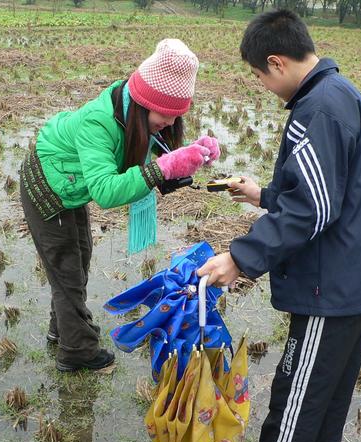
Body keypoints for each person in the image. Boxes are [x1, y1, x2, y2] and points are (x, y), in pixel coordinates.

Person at [197, 10, 361, 442]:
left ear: (277, 62)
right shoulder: (342, 97)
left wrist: (240, 258)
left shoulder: (317, 110)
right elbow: (329, 194)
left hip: (331, 292)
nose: (261, 84)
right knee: (323, 416)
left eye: (258, 74)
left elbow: (313, 209)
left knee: (291, 417)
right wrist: (262, 195)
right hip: (352, 287)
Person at [20, 39, 220, 372]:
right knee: (67, 270)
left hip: (70, 187)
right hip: (48, 190)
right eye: (164, 116)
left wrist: (193, 154)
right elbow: (106, 192)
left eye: (176, 117)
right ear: (144, 104)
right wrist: (163, 169)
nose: (170, 124)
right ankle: (77, 351)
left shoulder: (132, 111)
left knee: (78, 261)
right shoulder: (100, 122)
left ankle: (62, 329)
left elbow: (158, 148)